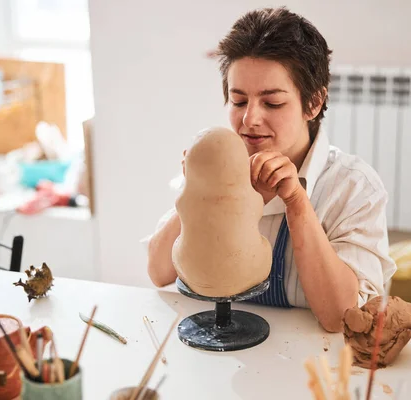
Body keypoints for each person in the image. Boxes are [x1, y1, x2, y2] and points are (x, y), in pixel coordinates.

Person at [146, 7, 396, 332]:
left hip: (303, 368)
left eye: (272, 103)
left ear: (314, 103)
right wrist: (200, 188)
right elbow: (158, 271)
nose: (250, 119)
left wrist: (297, 203)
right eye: (238, 101)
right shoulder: (215, 165)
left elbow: (341, 316)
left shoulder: (353, 188)